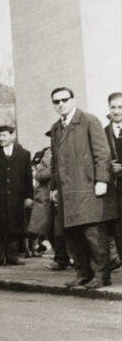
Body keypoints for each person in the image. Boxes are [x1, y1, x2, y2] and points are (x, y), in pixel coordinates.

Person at [48, 86, 117, 288]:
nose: (61, 104)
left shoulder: (89, 121)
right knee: (73, 235)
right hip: (66, 192)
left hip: (88, 188)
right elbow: (55, 162)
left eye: (64, 100)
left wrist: (102, 181)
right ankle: (83, 273)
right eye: (56, 101)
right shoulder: (55, 128)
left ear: (73, 100)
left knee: (93, 235)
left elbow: (102, 154)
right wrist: (54, 187)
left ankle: (101, 275)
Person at [0, 124, 33, 266]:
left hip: (17, 197)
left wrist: (29, 196)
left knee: (15, 225)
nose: (0, 138)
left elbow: (28, 177)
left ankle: (12, 255)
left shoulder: (24, 154)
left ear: (12, 136)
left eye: (4, 135)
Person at [105, 92, 122, 264]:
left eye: (120, 107)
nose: (116, 111)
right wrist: (108, 167)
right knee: (117, 228)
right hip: (113, 190)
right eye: (113, 107)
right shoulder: (102, 133)